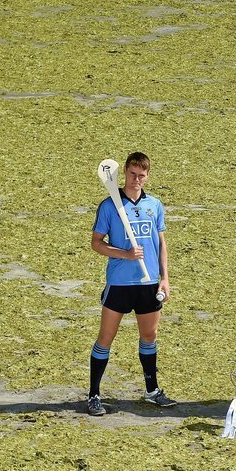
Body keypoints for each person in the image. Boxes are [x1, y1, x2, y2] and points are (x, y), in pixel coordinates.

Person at [87, 152, 174, 415]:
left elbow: (161, 244)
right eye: (132, 174)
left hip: (148, 283)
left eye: (142, 175)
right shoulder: (108, 206)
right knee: (106, 337)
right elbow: (96, 244)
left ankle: (151, 390)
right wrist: (124, 254)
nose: (136, 180)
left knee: (149, 336)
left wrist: (165, 279)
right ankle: (93, 395)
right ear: (124, 172)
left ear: (148, 176)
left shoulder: (155, 205)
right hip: (120, 283)